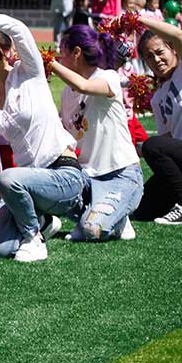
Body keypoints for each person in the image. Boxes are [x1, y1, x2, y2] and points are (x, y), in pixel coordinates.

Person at [0, 3, 83, 262]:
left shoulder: (30, 72)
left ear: (6, 52)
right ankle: (44, 222)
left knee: (6, 179)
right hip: (29, 188)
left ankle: (33, 238)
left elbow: (19, 30)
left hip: (63, 174)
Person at [52, 25, 142, 240]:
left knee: (92, 231)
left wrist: (49, 63)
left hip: (120, 173)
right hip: (85, 178)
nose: (57, 56)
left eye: (61, 51)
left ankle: (117, 216)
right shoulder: (66, 92)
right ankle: (100, 212)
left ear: (76, 53)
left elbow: (83, 86)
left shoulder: (108, 77)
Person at [132, 18, 182, 224]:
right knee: (143, 211)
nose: (156, 60)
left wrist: (138, 19)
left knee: (152, 144)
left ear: (172, 49)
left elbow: (179, 35)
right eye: (149, 57)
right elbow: (167, 142)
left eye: (160, 52)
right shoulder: (157, 97)